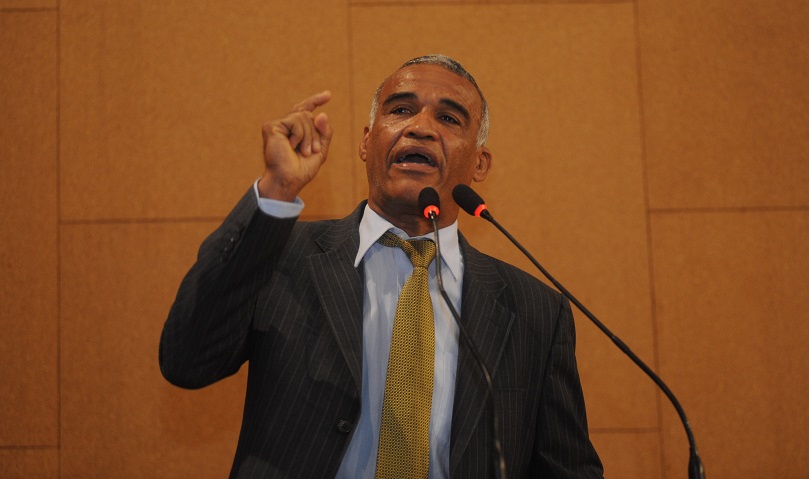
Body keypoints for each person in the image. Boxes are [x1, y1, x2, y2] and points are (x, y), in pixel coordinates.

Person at [160, 54, 603, 479]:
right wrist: (276, 190)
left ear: (480, 163)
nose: (421, 127)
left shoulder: (535, 312)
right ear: (366, 141)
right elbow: (187, 360)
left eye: (448, 118)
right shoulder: (281, 255)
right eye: (401, 109)